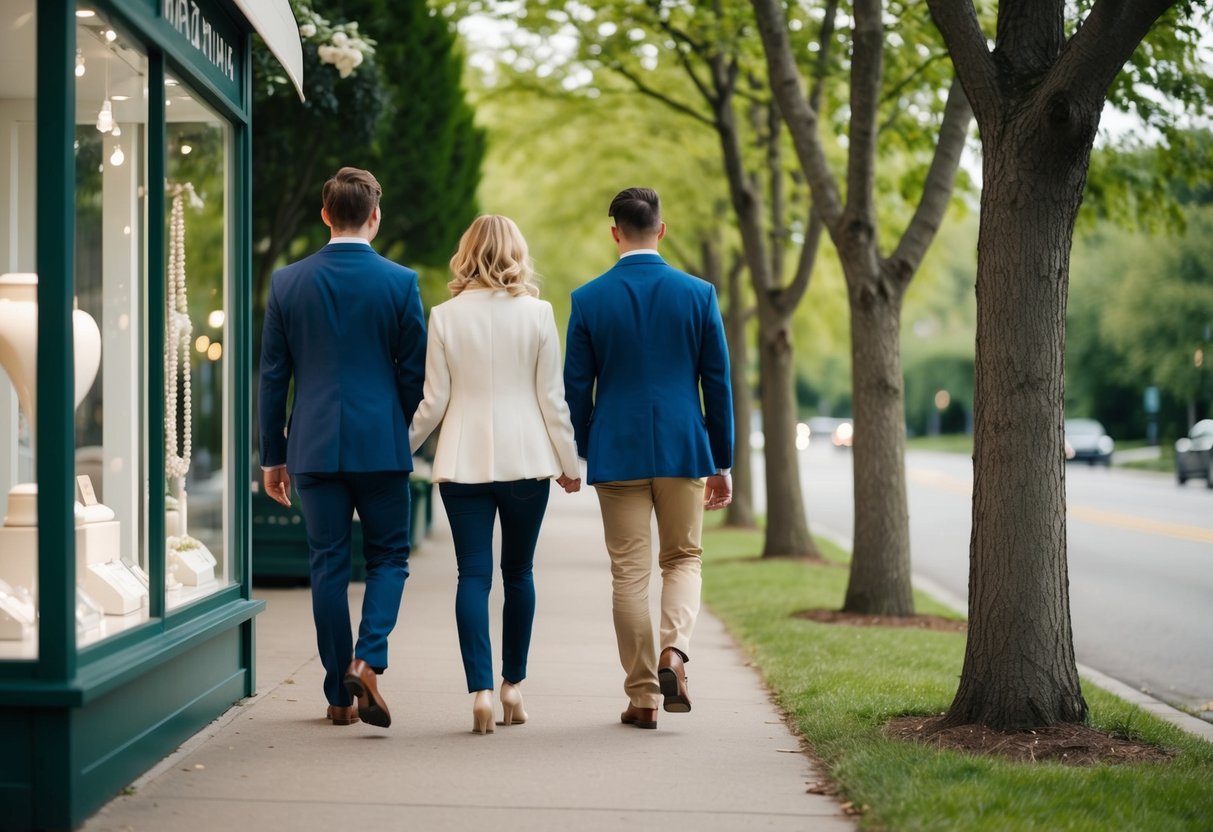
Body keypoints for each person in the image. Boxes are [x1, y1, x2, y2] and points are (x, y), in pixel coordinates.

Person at [258, 167, 426, 728]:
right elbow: (414, 376)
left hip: (313, 446)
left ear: (326, 215)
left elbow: (273, 378)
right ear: (374, 216)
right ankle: (366, 659)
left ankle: (337, 694)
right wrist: (399, 427)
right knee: (388, 559)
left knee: (327, 565)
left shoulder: (287, 282)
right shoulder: (400, 283)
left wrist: (272, 456)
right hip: (381, 443)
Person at [564, 187, 733, 731]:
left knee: (629, 576)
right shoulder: (699, 294)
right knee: (683, 559)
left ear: (615, 232)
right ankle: (674, 655)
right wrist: (721, 459)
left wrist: (584, 448)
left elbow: (575, 389)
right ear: (662, 229)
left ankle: (642, 698)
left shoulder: (588, 299)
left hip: (618, 450)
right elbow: (718, 383)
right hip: (684, 448)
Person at [410, 214, 582, 735]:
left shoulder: (443, 315)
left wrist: (401, 449)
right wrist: (570, 464)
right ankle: (513, 687)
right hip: (527, 461)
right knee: (520, 574)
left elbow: (433, 402)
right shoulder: (538, 314)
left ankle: (480, 691)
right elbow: (553, 400)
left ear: (466, 254)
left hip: (464, 463)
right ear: (516, 254)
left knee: (473, 576)